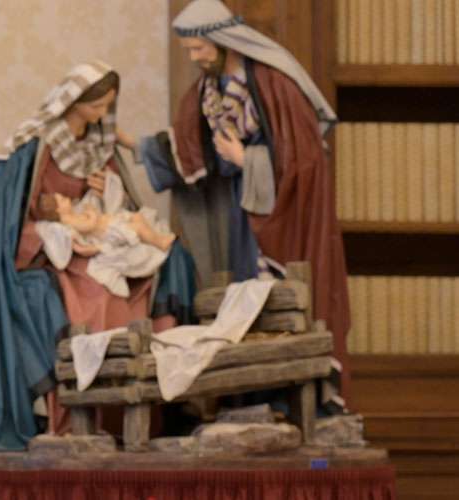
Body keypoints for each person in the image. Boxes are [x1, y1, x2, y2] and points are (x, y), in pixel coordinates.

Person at [0, 61, 196, 451]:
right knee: (98, 296)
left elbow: (119, 204)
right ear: (76, 101)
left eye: (107, 106)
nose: (103, 113)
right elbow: (16, 220)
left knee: (160, 266)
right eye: (98, 105)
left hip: (101, 238)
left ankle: (152, 400)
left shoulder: (101, 145)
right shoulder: (36, 146)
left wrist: (105, 187)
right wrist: (62, 228)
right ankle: (89, 412)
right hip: (55, 249)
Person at [123, 0, 351, 398]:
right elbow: (189, 145)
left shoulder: (272, 83)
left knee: (276, 295)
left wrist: (249, 158)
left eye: (199, 48)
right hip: (236, 208)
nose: (195, 57)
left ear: (221, 40)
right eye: (190, 51)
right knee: (241, 294)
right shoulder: (209, 88)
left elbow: (306, 156)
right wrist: (134, 146)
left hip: (278, 213)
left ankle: (288, 391)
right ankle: (251, 391)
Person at [35, 188, 177, 298]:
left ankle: (156, 236)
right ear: (59, 210)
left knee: (138, 217)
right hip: (109, 232)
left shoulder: (72, 214)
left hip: (111, 224)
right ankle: (160, 242)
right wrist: (92, 214)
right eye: (63, 200)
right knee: (137, 227)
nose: (67, 199)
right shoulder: (69, 221)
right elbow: (89, 226)